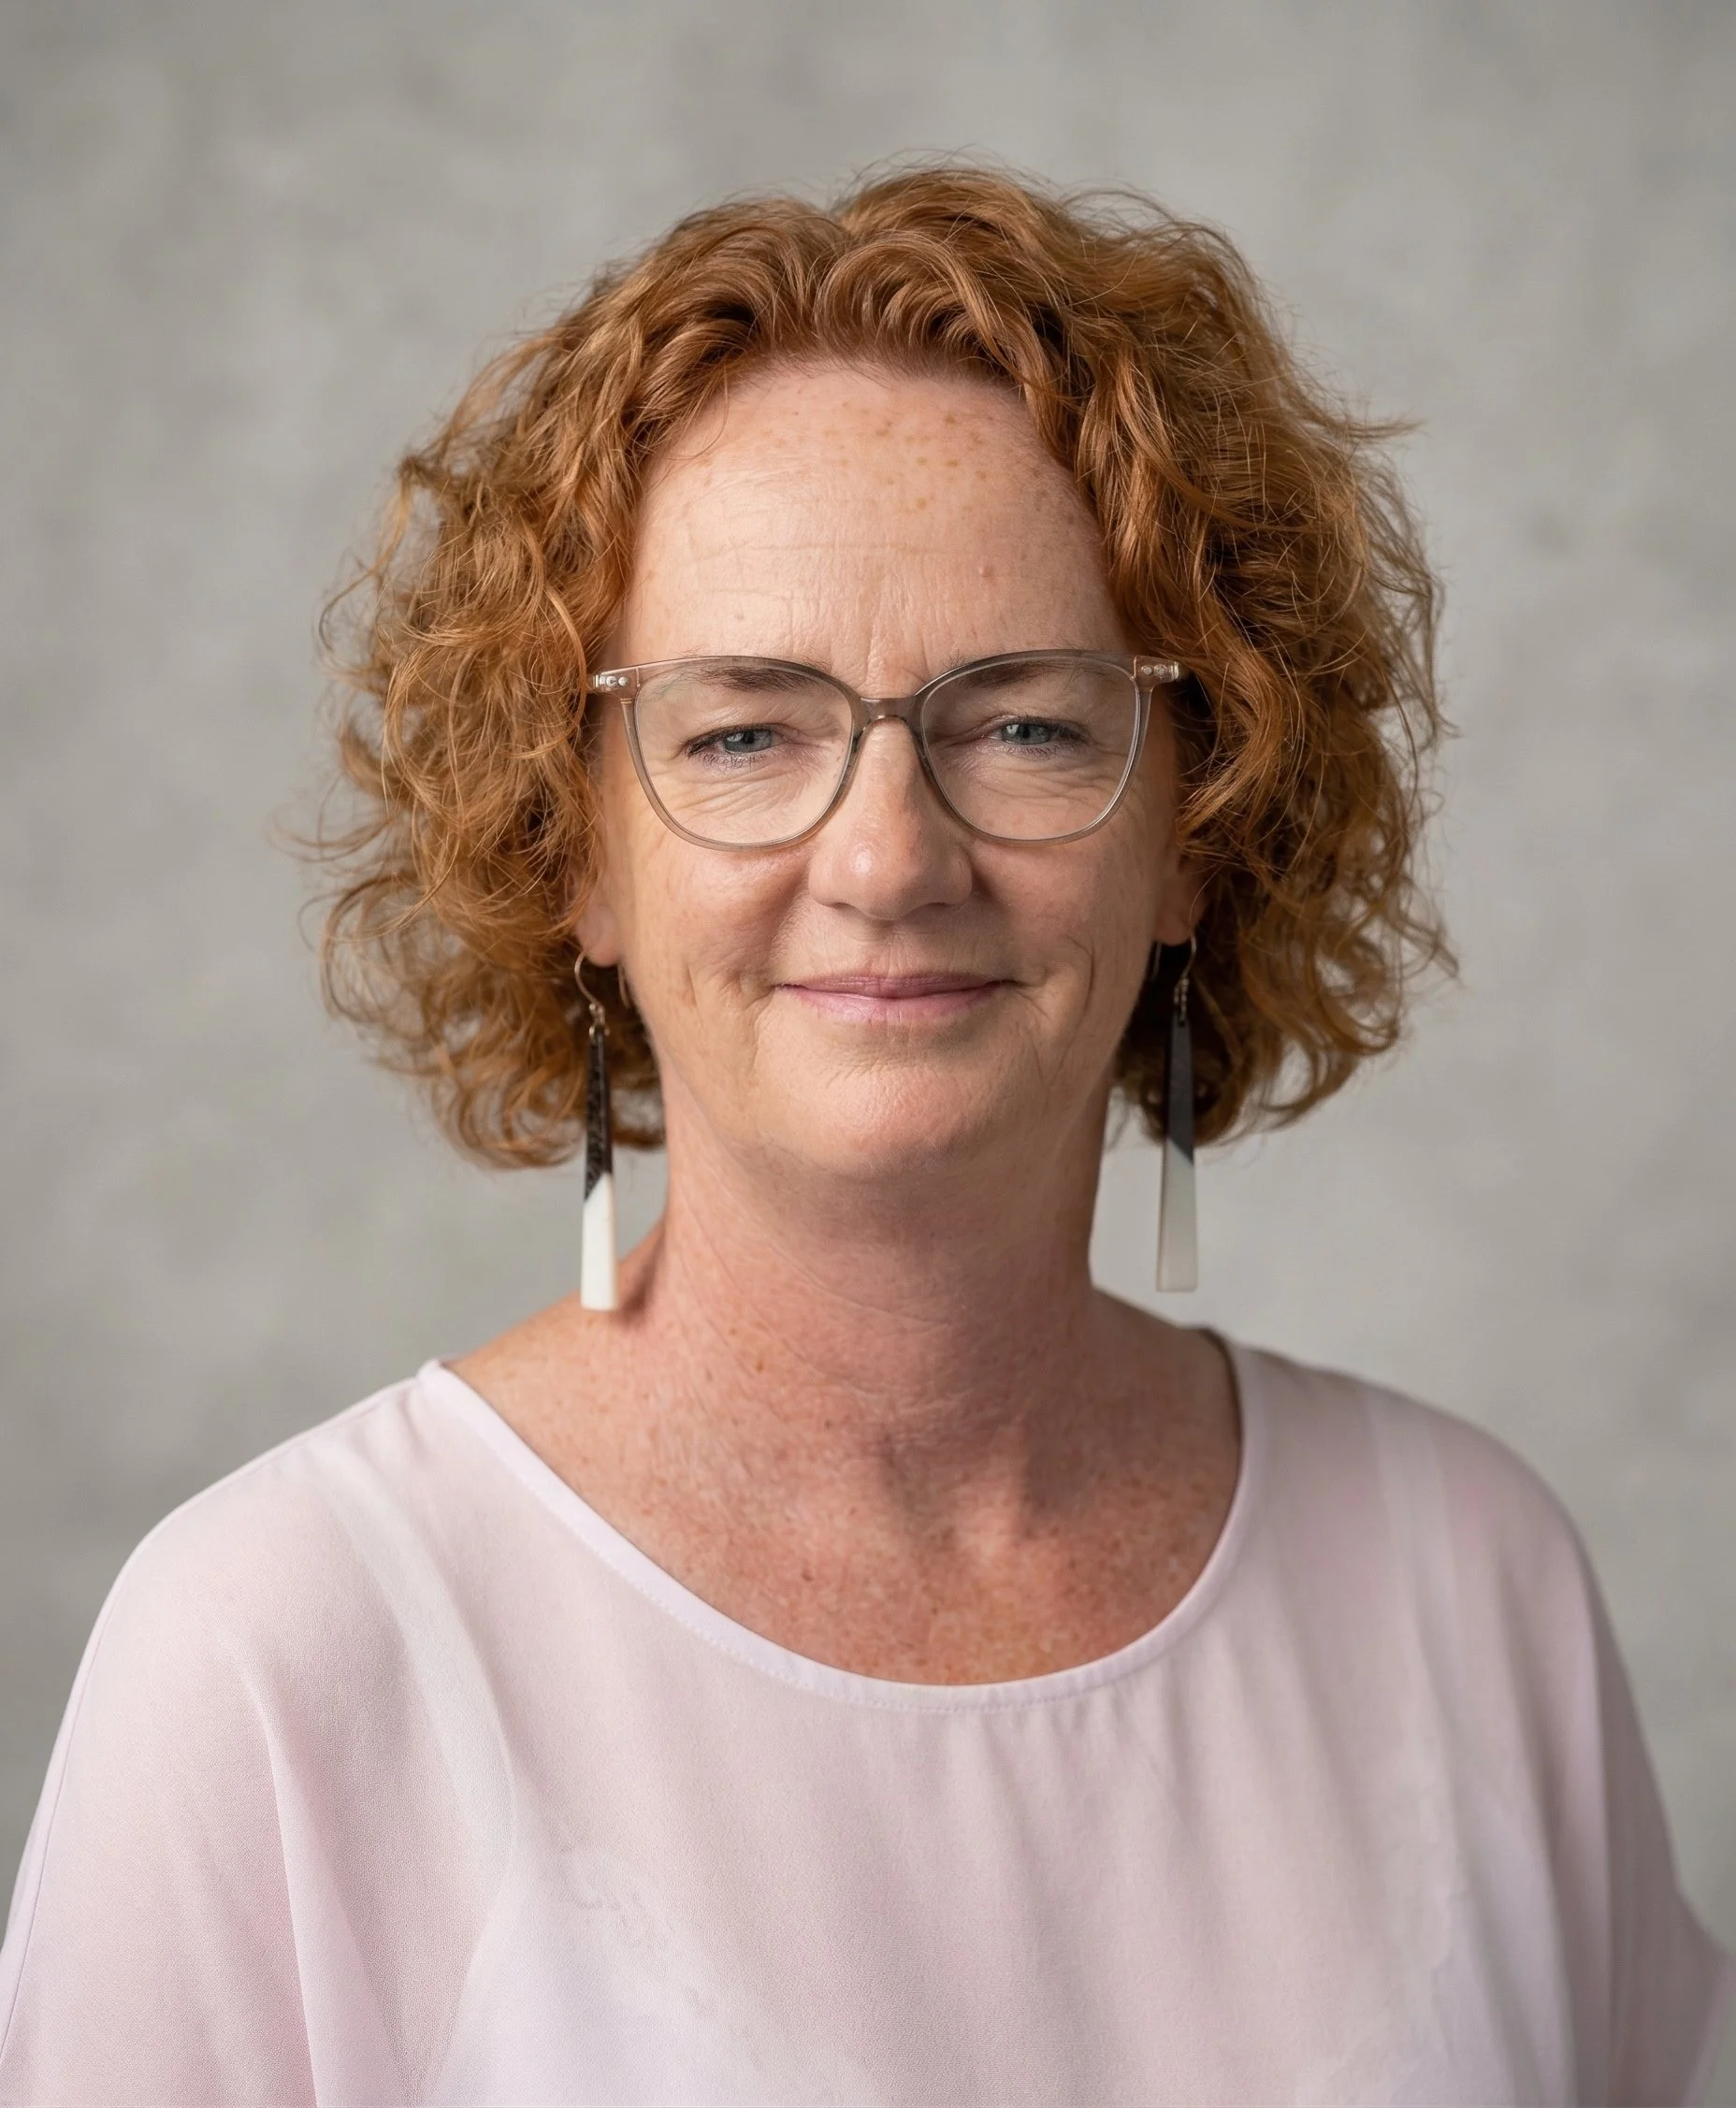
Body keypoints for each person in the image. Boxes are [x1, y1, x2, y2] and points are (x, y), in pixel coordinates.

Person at [0, 166, 1728, 2106]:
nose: (890, 858)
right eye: (744, 731)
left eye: (1028, 725)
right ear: (573, 851)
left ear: (1200, 831)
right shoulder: (276, 1654)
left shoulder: (1471, 1586)